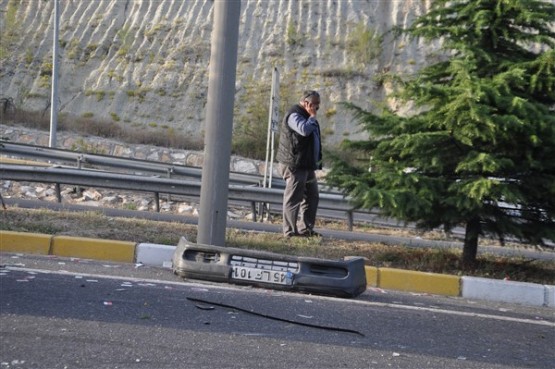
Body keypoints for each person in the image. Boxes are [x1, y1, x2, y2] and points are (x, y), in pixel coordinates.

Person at [276, 90, 322, 238]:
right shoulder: (294, 114)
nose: (316, 109)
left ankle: (305, 229)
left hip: (306, 165)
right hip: (295, 165)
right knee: (293, 198)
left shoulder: (309, 116)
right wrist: (313, 116)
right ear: (307, 103)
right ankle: (289, 233)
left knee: (312, 196)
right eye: (315, 105)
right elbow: (304, 130)